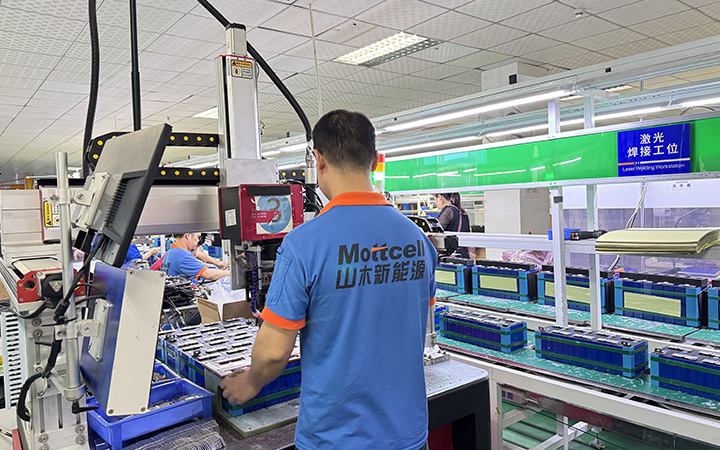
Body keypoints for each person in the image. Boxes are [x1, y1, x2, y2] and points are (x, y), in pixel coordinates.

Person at [220, 110, 438, 450]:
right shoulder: (419, 240)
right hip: (407, 435)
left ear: (319, 160)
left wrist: (249, 381)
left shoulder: (303, 244)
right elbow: (412, 318)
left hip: (336, 438)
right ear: (374, 160)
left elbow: (274, 352)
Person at [161, 233, 230, 281]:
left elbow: (198, 254)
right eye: (197, 237)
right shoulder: (183, 255)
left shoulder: (172, 252)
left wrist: (217, 263)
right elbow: (207, 274)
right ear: (188, 236)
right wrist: (230, 273)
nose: (198, 240)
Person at [434, 192, 472, 259]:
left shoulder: (449, 210)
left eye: (435, 199)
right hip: (464, 253)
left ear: (439, 197)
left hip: (453, 256)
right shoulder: (462, 212)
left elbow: (436, 230)